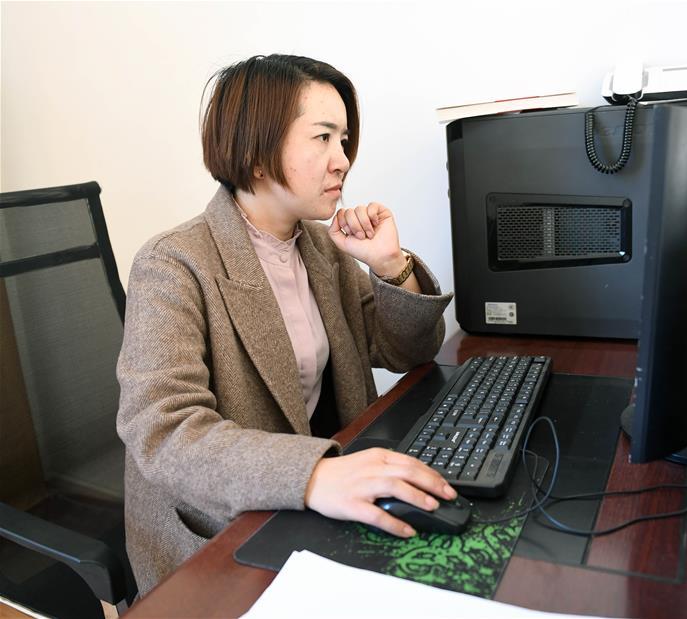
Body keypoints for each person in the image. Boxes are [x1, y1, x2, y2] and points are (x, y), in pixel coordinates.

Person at [116, 54, 455, 594]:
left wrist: (392, 265)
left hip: (304, 507)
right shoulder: (173, 263)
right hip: (216, 535)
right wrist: (313, 474)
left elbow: (406, 351)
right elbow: (163, 430)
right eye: (323, 137)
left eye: (344, 140)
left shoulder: (321, 247)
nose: (342, 160)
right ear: (255, 154)